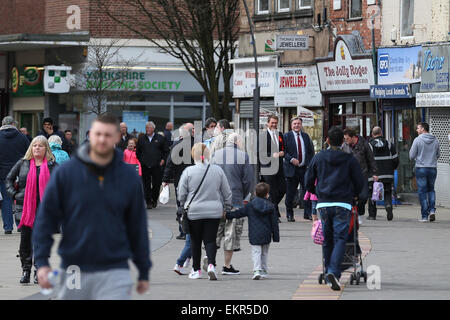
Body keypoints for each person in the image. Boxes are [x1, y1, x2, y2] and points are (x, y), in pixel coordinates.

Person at [33, 115, 151, 300]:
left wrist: (143, 269)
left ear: (117, 138)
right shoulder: (67, 173)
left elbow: (137, 225)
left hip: (115, 268)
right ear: (90, 136)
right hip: (75, 266)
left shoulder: (129, 178)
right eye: (98, 134)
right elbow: (45, 219)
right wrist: (42, 261)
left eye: (107, 134)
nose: (102, 139)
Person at [305, 126, 365, 291]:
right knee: (340, 238)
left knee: (327, 238)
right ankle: (333, 271)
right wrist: (354, 195)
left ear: (328, 140)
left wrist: (315, 191)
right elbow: (359, 182)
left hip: (323, 203)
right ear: (342, 141)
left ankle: (327, 270)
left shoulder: (318, 157)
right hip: (343, 203)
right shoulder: (349, 159)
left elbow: (308, 180)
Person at [5, 136, 57, 284]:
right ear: (31, 148)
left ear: (46, 148)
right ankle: (26, 270)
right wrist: (15, 194)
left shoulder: (53, 166)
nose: (37, 148)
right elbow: (8, 179)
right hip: (25, 209)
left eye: (40, 146)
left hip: (45, 209)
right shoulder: (23, 163)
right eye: (35, 146)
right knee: (25, 243)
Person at [177, 143, 232, 280]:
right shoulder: (218, 170)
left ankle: (196, 270)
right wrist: (227, 207)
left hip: (194, 211)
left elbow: (181, 193)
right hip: (214, 211)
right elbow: (227, 192)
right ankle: (211, 265)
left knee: (195, 241)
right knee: (210, 239)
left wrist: (182, 204)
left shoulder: (188, 171)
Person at [210, 132, 254, 275]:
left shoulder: (216, 154)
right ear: (237, 142)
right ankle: (227, 266)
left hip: (216, 200)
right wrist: (243, 194)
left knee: (215, 232)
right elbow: (248, 180)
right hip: (235, 200)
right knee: (231, 234)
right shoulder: (243, 156)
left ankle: (210, 261)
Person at [225, 182, 279, 280]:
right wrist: (276, 236)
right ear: (267, 194)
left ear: (255, 192)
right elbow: (274, 223)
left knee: (256, 252)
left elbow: (239, 213)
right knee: (264, 252)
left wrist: (227, 215)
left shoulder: (250, 205)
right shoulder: (271, 206)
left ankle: (256, 270)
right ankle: (264, 270)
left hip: (254, 233)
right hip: (266, 233)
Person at [163, 123, 195, 240]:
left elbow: (169, 163)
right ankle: (192, 229)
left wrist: (165, 179)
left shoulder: (177, 144)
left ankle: (183, 231)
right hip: (195, 180)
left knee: (181, 204)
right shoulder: (198, 144)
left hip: (180, 180)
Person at [0, 116, 30, 234]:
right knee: (19, 199)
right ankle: (20, 224)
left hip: (2, 174)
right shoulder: (22, 138)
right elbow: (29, 155)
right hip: (19, 174)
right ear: (13, 124)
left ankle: (8, 227)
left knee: (6, 201)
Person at [343, 128, 378, 224]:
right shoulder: (344, 146)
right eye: (345, 139)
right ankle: (354, 215)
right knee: (351, 197)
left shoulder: (364, 144)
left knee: (363, 196)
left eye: (347, 139)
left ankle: (360, 212)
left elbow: (370, 158)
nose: (346, 141)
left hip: (362, 174)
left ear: (353, 137)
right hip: (349, 175)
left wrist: (374, 172)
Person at [283, 117, 315, 222]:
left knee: (307, 191)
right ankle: (289, 214)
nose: (297, 125)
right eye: (295, 124)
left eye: (298, 123)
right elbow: (283, 152)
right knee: (290, 193)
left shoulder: (305, 136)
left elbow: (310, 151)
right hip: (291, 169)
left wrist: (309, 164)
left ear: (301, 125)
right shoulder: (286, 136)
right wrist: (291, 159)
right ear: (291, 125)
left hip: (304, 169)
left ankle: (308, 213)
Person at [409, 122, 440, 222]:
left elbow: (411, 156)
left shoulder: (417, 140)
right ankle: (432, 211)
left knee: (422, 192)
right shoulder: (435, 140)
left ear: (423, 129)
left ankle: (424, 216)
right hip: (432, 168)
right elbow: (438, 154)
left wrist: (418, 158)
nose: (417, 130)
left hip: (421, 168)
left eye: (418, 128)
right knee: (431, 189)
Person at [368, 126, 399, 221]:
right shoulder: (389, 144)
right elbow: (395, 159)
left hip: (374, 176)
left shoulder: (369, 145)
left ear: (372, 134)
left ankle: (372, 215)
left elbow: (367, 161)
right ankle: (388, 205)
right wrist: (392, 168)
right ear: (381, 133)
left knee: (372, 194)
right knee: (387, 191)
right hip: (387, 174)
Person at [136, 121, 169, 209]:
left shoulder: (160, 138)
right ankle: (148, 202)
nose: (147, 129)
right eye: (146, 128)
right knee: (146, 185)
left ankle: (154, 199)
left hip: (157, 166)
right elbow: (138, 152)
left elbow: (166, 151)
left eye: (149, 127)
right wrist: (141, 160)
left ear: (153, 128)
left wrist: (163, 160)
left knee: (156, 184)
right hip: (145, 166)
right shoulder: (141, 139)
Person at [260, 114, 285, 223]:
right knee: (272, 191)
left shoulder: (280, 134)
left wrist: (283, 153)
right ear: (268, 123)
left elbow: (284, 147)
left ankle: (271, 208)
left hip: (279, 167)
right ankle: (274, 213)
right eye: (272, 123)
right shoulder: (262, 136)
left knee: (283, 189)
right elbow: (260, 152)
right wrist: (273, 155)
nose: (274, 125)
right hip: (268, 167)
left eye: (275, 123)